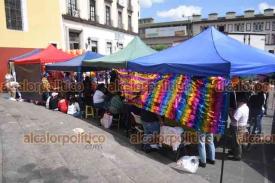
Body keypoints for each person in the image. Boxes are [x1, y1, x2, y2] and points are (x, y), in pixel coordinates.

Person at [229, 92, 249, 161]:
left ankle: (237, 156)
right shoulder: (246, 107)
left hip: (237, 127)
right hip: (242, 126)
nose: (236, 102)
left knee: (237, 142)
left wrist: (230, 112)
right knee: (236, 141)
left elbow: (234, 119)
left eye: (237, 101)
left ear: (240, 101)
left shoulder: (240, 110)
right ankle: (234, 152)